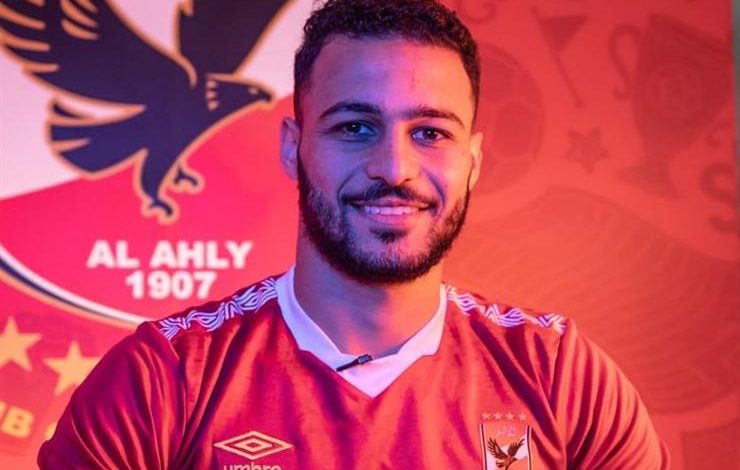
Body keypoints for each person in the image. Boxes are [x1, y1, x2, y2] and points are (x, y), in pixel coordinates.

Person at [39, 0, 669, 468]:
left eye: (431, 132)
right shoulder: (163, 379)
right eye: (354, 127)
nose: (393, 168)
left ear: (473, 161)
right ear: (293, 147)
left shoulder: (561, 378)